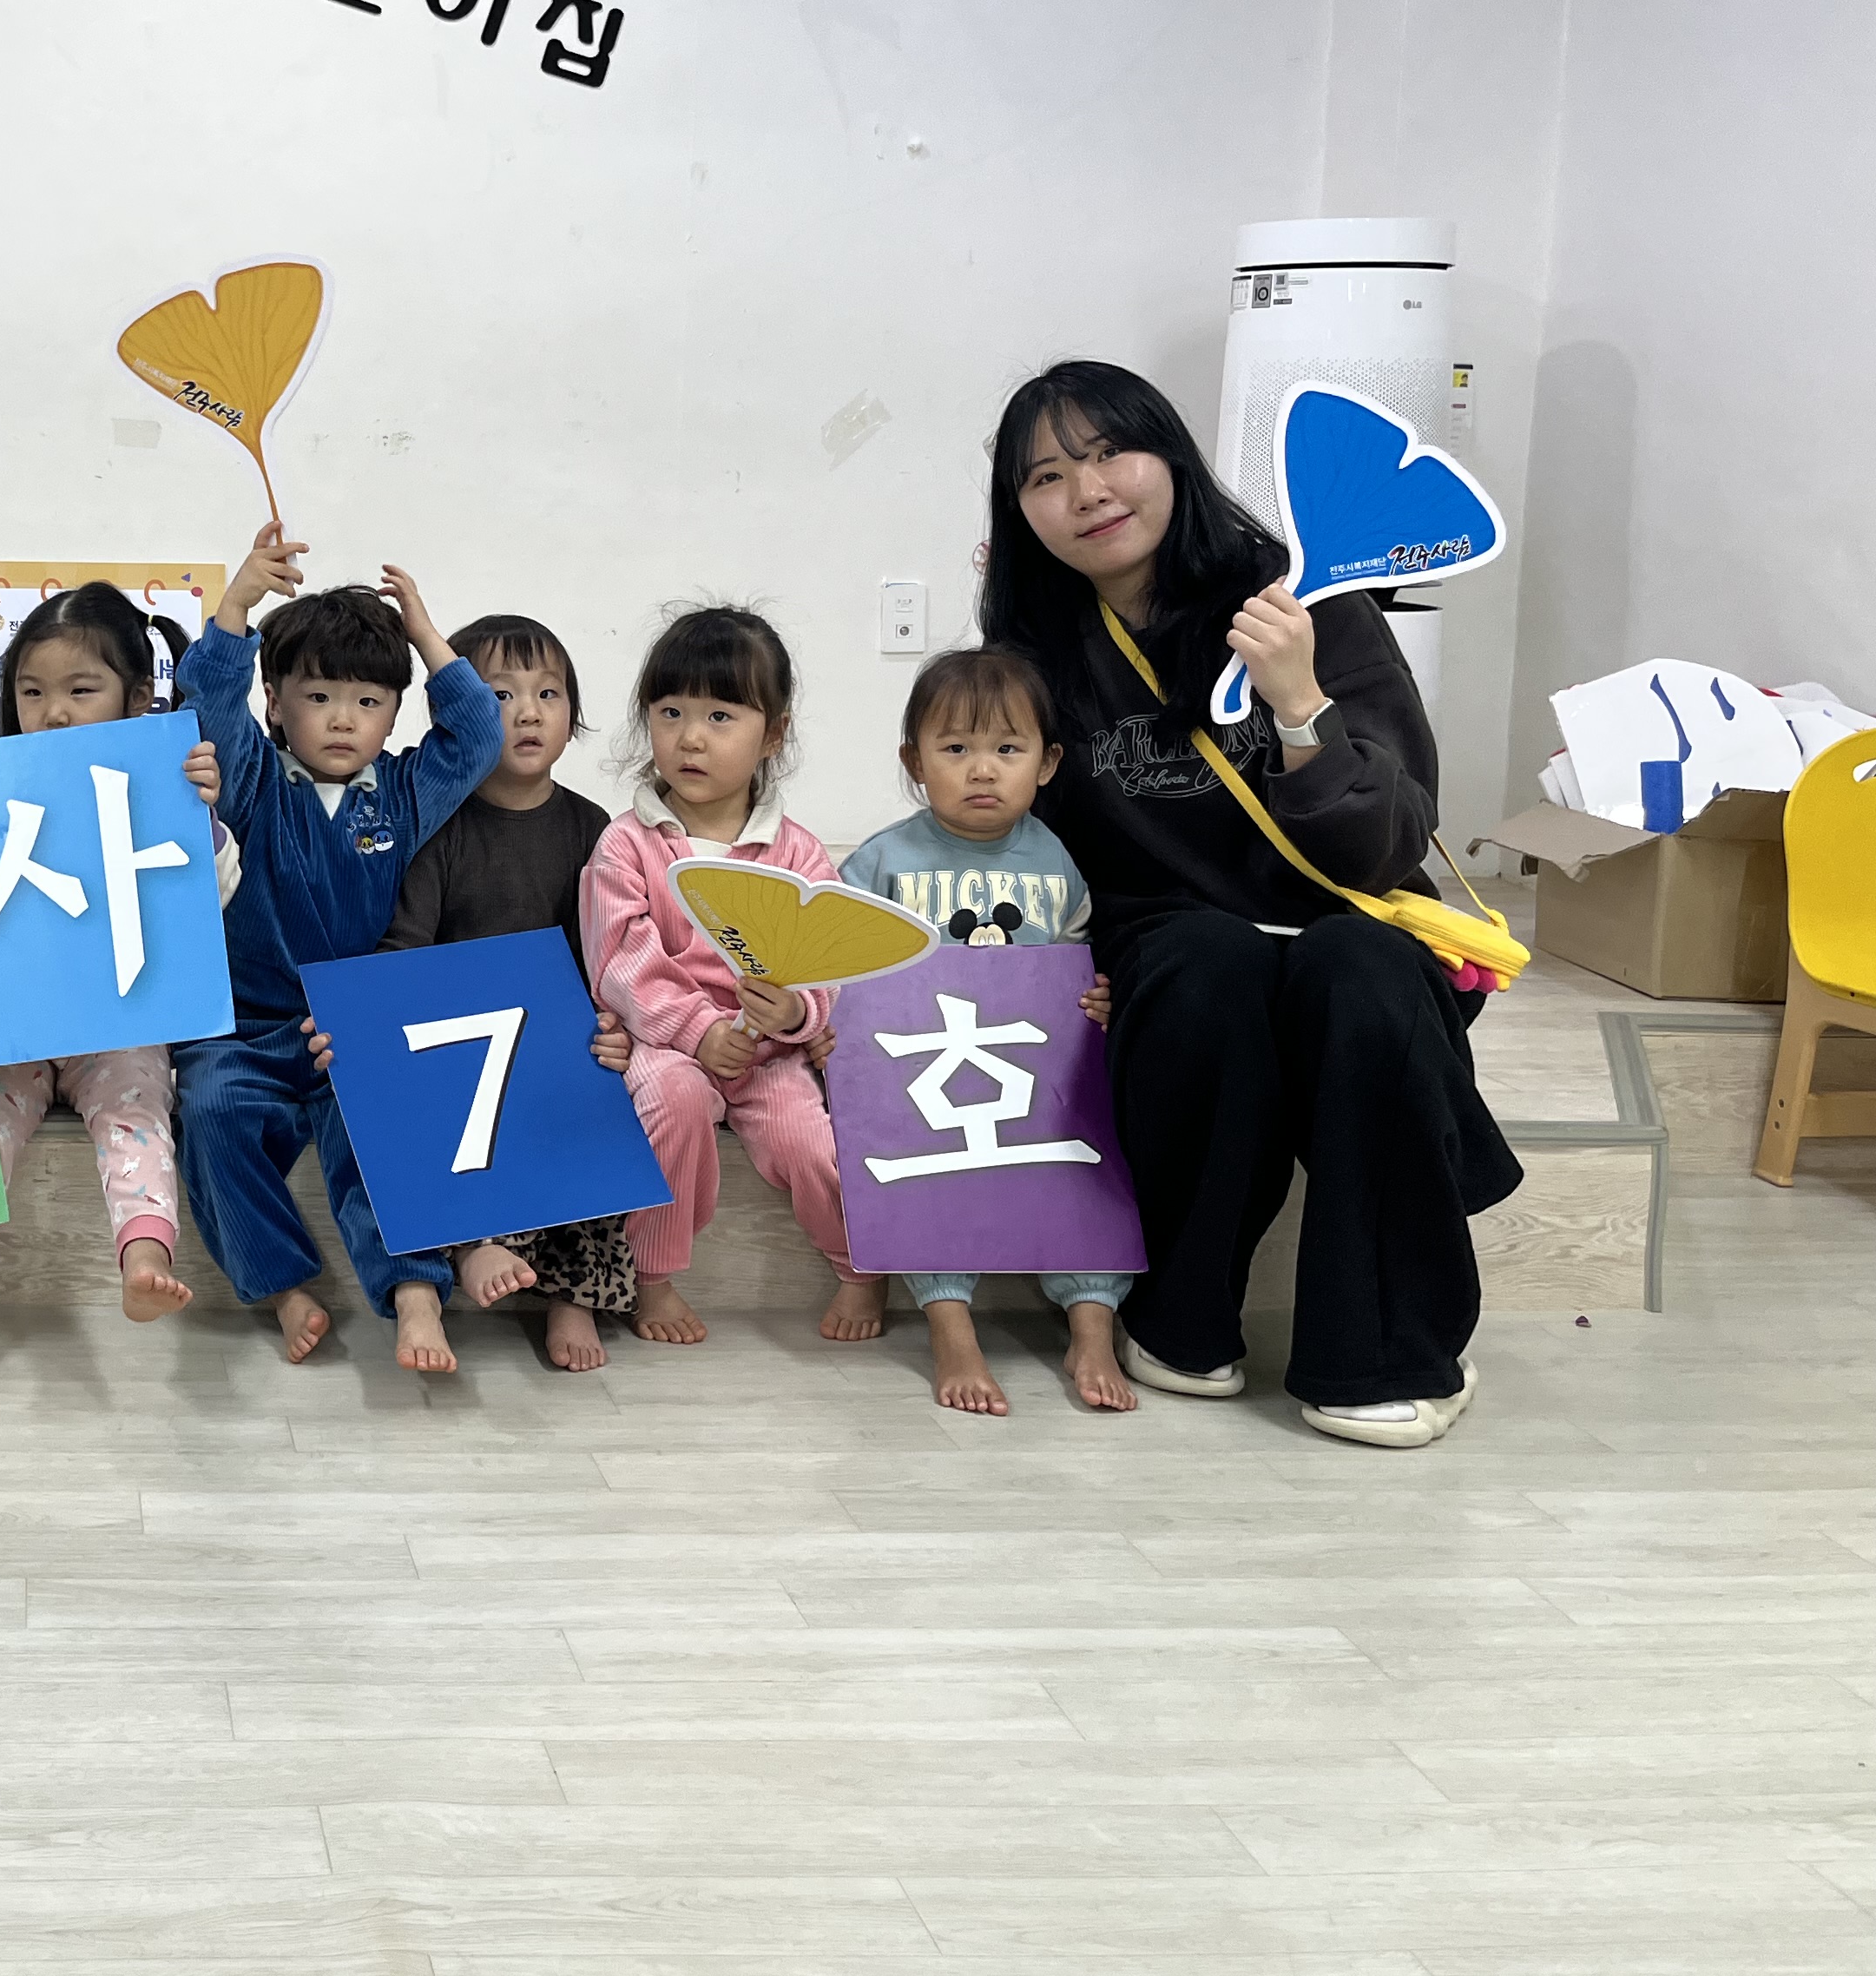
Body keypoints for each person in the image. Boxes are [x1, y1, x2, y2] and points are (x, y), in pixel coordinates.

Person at [980, 357, 1518, 1449]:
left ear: (1172, 457)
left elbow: (1391, 836)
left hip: (1349, 919)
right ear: (1019, 511)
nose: (1087, 492)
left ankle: (1390, 1353)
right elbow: (1024, 843)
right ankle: (1182, 1319)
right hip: (1174, 937)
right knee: (1206, 969)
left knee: (1356, 976)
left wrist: (1301, 704)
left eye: (1109, 453)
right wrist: (1058, 963)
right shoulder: (1034, 650)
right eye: (1046, 476)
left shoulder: (1299, 597)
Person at [173, 520, 500, 1373]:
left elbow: (478, 735)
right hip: (245, 1029)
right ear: (276, 701)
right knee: (209, 1113)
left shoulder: (406, 791)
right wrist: (239, 603)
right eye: (318, 698)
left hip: (361, 1028)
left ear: (394, 709)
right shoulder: (250, 779)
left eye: (368, 701)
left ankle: (417, 1294)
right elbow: (208, 701)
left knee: (381, 1119)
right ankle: (284, 1289)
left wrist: (424, 634)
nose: (344, 720)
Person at [0, 583, 221, 1412]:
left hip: (116, 1021)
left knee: (138, 1103)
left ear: (137, 697)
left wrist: (199, 820)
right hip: (11, 1023)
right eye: (33, 692)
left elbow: (212, 896)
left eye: (82, 689)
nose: (54, 712)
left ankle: (144, 1256)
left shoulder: (164, 779)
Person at [839, 645, 1133, 1417]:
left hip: (1032, 1076)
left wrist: (1097, 1000)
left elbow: (1075, 963)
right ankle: (951, 1327)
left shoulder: (1058, 862)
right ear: (914, 761)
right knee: (927, 1173)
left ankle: (1092, 1325)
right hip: (922, 1077)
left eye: (1007, 749)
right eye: (955, 748)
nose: (981, 770)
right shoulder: (882, 862)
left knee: (1086, 1165)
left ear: (1047, 763)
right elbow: (836, 968)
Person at [583, 605, 879, 1347]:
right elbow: (622, 963)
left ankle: (860, 1265)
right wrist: (698, 1032)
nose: (690, 737)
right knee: (675, 1105)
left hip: (769, 1055)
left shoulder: (796, 852)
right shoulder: (626, 845)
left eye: (720, 716)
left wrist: (795, 1015)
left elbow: (825, 963)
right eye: (671, 712)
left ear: (772, 734)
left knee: (808, 1141)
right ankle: (652, 1277)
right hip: (668, 1046)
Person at [377, 615, 640, 1373]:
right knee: (450, 1118)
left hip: (557, 1039)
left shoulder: (593, 828)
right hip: (460, 1043)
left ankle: (573, 1296)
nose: (527, 712)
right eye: (499, 694)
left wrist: (611, 1024)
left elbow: (607, 952)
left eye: (548, 694)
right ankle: (472, 1246)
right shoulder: (441, 824)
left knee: (595, 1110)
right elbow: (405, 950)